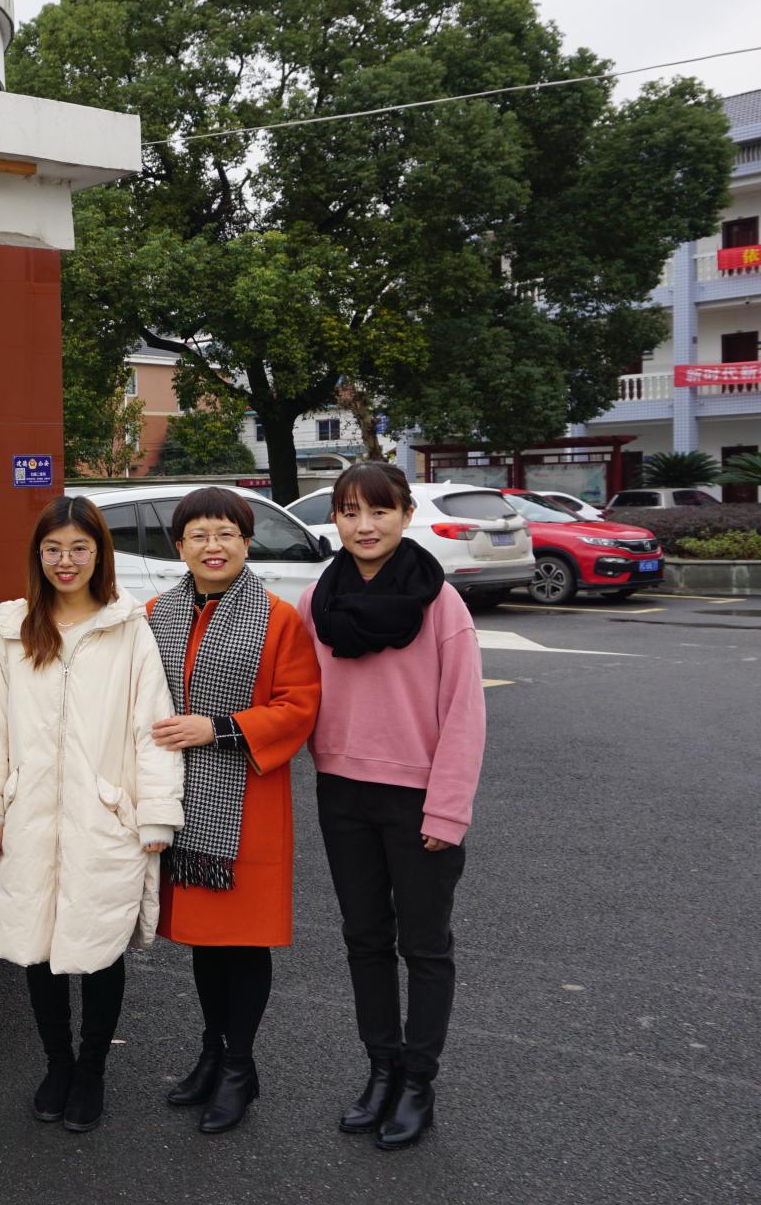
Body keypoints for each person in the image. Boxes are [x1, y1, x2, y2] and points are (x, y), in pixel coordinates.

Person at [0, 495, 184, 1134]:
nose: (66, 561)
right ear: (38, 555)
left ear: (99, 553)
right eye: (53, 549)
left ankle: (92, 1070)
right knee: (37, 945)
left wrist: (154, 815)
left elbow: (152, 728)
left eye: (79, 548)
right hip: (28, 815)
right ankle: (56, 1064)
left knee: (100, 945)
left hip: (103, 817)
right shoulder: (15, 631)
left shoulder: (127, 629)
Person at [300, 462, 485, 1151]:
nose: (365, 525)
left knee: (425, 947)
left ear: (406, 515)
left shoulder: (441, 605)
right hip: (342, 793)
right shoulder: (318, 600)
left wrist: (448, 811)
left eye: (380, 510)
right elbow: (295, 694)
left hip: (418, 800)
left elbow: (464, 714)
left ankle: (418, 1083)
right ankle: (381, 1070)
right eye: (350, 511)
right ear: (335, 519)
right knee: (366, 940)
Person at [145, 487, 320, 1135]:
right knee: (205, 940)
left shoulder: (277, 618)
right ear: (180, 546)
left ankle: (240, 1066)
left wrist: (217, 728)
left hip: (249, 803)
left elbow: (299, 705)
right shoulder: (157, 613)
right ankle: (212, 1054)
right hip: (182, 804)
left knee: (242, 942)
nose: (212, 546)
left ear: (247, 542)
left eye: (226, 534)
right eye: (199, 535)